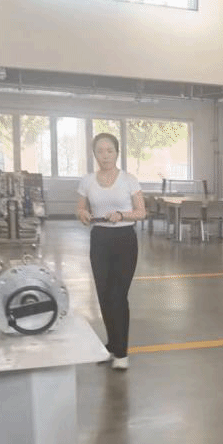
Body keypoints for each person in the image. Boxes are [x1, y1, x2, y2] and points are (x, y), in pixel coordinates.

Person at [76, 133, 146, 369]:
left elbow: (141, 212)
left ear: (117, 153)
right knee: (104, 295)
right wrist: (83, 214)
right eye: (100, 151)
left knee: (118, 295)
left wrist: (121, 215)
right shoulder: (87, 181)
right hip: (99, 239)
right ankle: (112, 345)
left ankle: (122, 353)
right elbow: (80, 209)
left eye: (109, 151)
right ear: (94, 154)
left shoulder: (129, 180)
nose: (105, 156)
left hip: (124, 239)